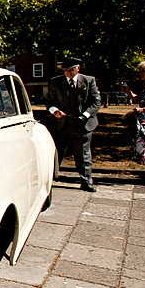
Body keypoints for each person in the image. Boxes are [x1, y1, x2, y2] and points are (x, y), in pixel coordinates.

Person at [45, 57, 101, 192]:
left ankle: (86, 181)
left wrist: (85, 115)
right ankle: (49, 180)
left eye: (70, 70)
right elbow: (49, 101)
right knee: (56, 153)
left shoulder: (88, 81)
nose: (68, 73)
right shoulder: (55, 82)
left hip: (82, 124)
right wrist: (54, 111)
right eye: (65, 70)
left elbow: (96, 102)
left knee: (83, 154)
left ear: (78, 68)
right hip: (62, 124)